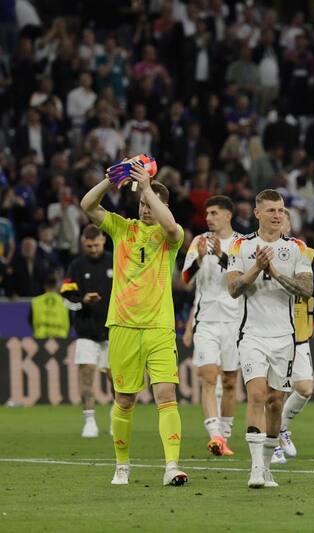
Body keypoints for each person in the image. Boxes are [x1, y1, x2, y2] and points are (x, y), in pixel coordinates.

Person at [80, 161, 188, 487]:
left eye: (150, 202)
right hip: (124, 326)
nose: (144, 207)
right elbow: (87, 206)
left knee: (166, 395)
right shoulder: (121, 228)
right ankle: (122, 466)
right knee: (125, 400)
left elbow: (170, 226)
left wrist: (146, 186)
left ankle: (172, 466)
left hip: (158, 326)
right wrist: (108, 182)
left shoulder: (171, 237)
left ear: (162, 205)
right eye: (141, 202)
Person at [226, 189, 313, 489]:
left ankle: (266, 466)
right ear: (257, 213)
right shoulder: (241, 245)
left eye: (281, 210)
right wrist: (255, 269)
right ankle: (254, 469)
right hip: (251, 335)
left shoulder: (297, 248)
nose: (277, 215)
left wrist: (273, 272)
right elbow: (233, 288)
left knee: (276, 403)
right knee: (257, 396)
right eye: (271, 210)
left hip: (285, 338)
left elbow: (306, 290)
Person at [181, 195, 241, 457]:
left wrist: (221, 256)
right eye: (207, 213)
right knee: (208, 376)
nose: (209, 218)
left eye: (214, 213)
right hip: (206, 321)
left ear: (228, 215)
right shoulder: (198, 241)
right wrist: (199, 258)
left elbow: (242, 280)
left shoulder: (242, 243)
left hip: (235, 321)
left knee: (229, 381)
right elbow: (184, 279)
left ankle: (225, 437)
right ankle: (215, 435)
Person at [270, 214, 314, 465]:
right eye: (274, 218)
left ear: (289, 226)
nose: (278, 223)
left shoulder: (304, 253)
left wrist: (294, 280)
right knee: (274, 391)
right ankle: (272, 445)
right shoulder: (260, 252)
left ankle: (281, 427)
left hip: (299, 333)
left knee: (304, 389)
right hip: (270, 331)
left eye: (283, 220)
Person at [60, 224, 113, 438]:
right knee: (86, 375)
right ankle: (89, 421)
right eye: (89, 246)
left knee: (115, 378)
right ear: (84, 243)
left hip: (113, 330)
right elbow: (66, 297)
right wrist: (83, 300)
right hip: (86, 332)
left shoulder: (115, 260)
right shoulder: (76, 266)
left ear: (103, 241)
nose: (93, 249)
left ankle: (114, 418)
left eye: (96, 244)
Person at [30, 275, 70, 339]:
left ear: (45, 286)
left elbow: (30, 320)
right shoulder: (64, 302)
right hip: (60, 339)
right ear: (56, 286)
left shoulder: (36, 301)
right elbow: (71, 321)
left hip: (41, 338)